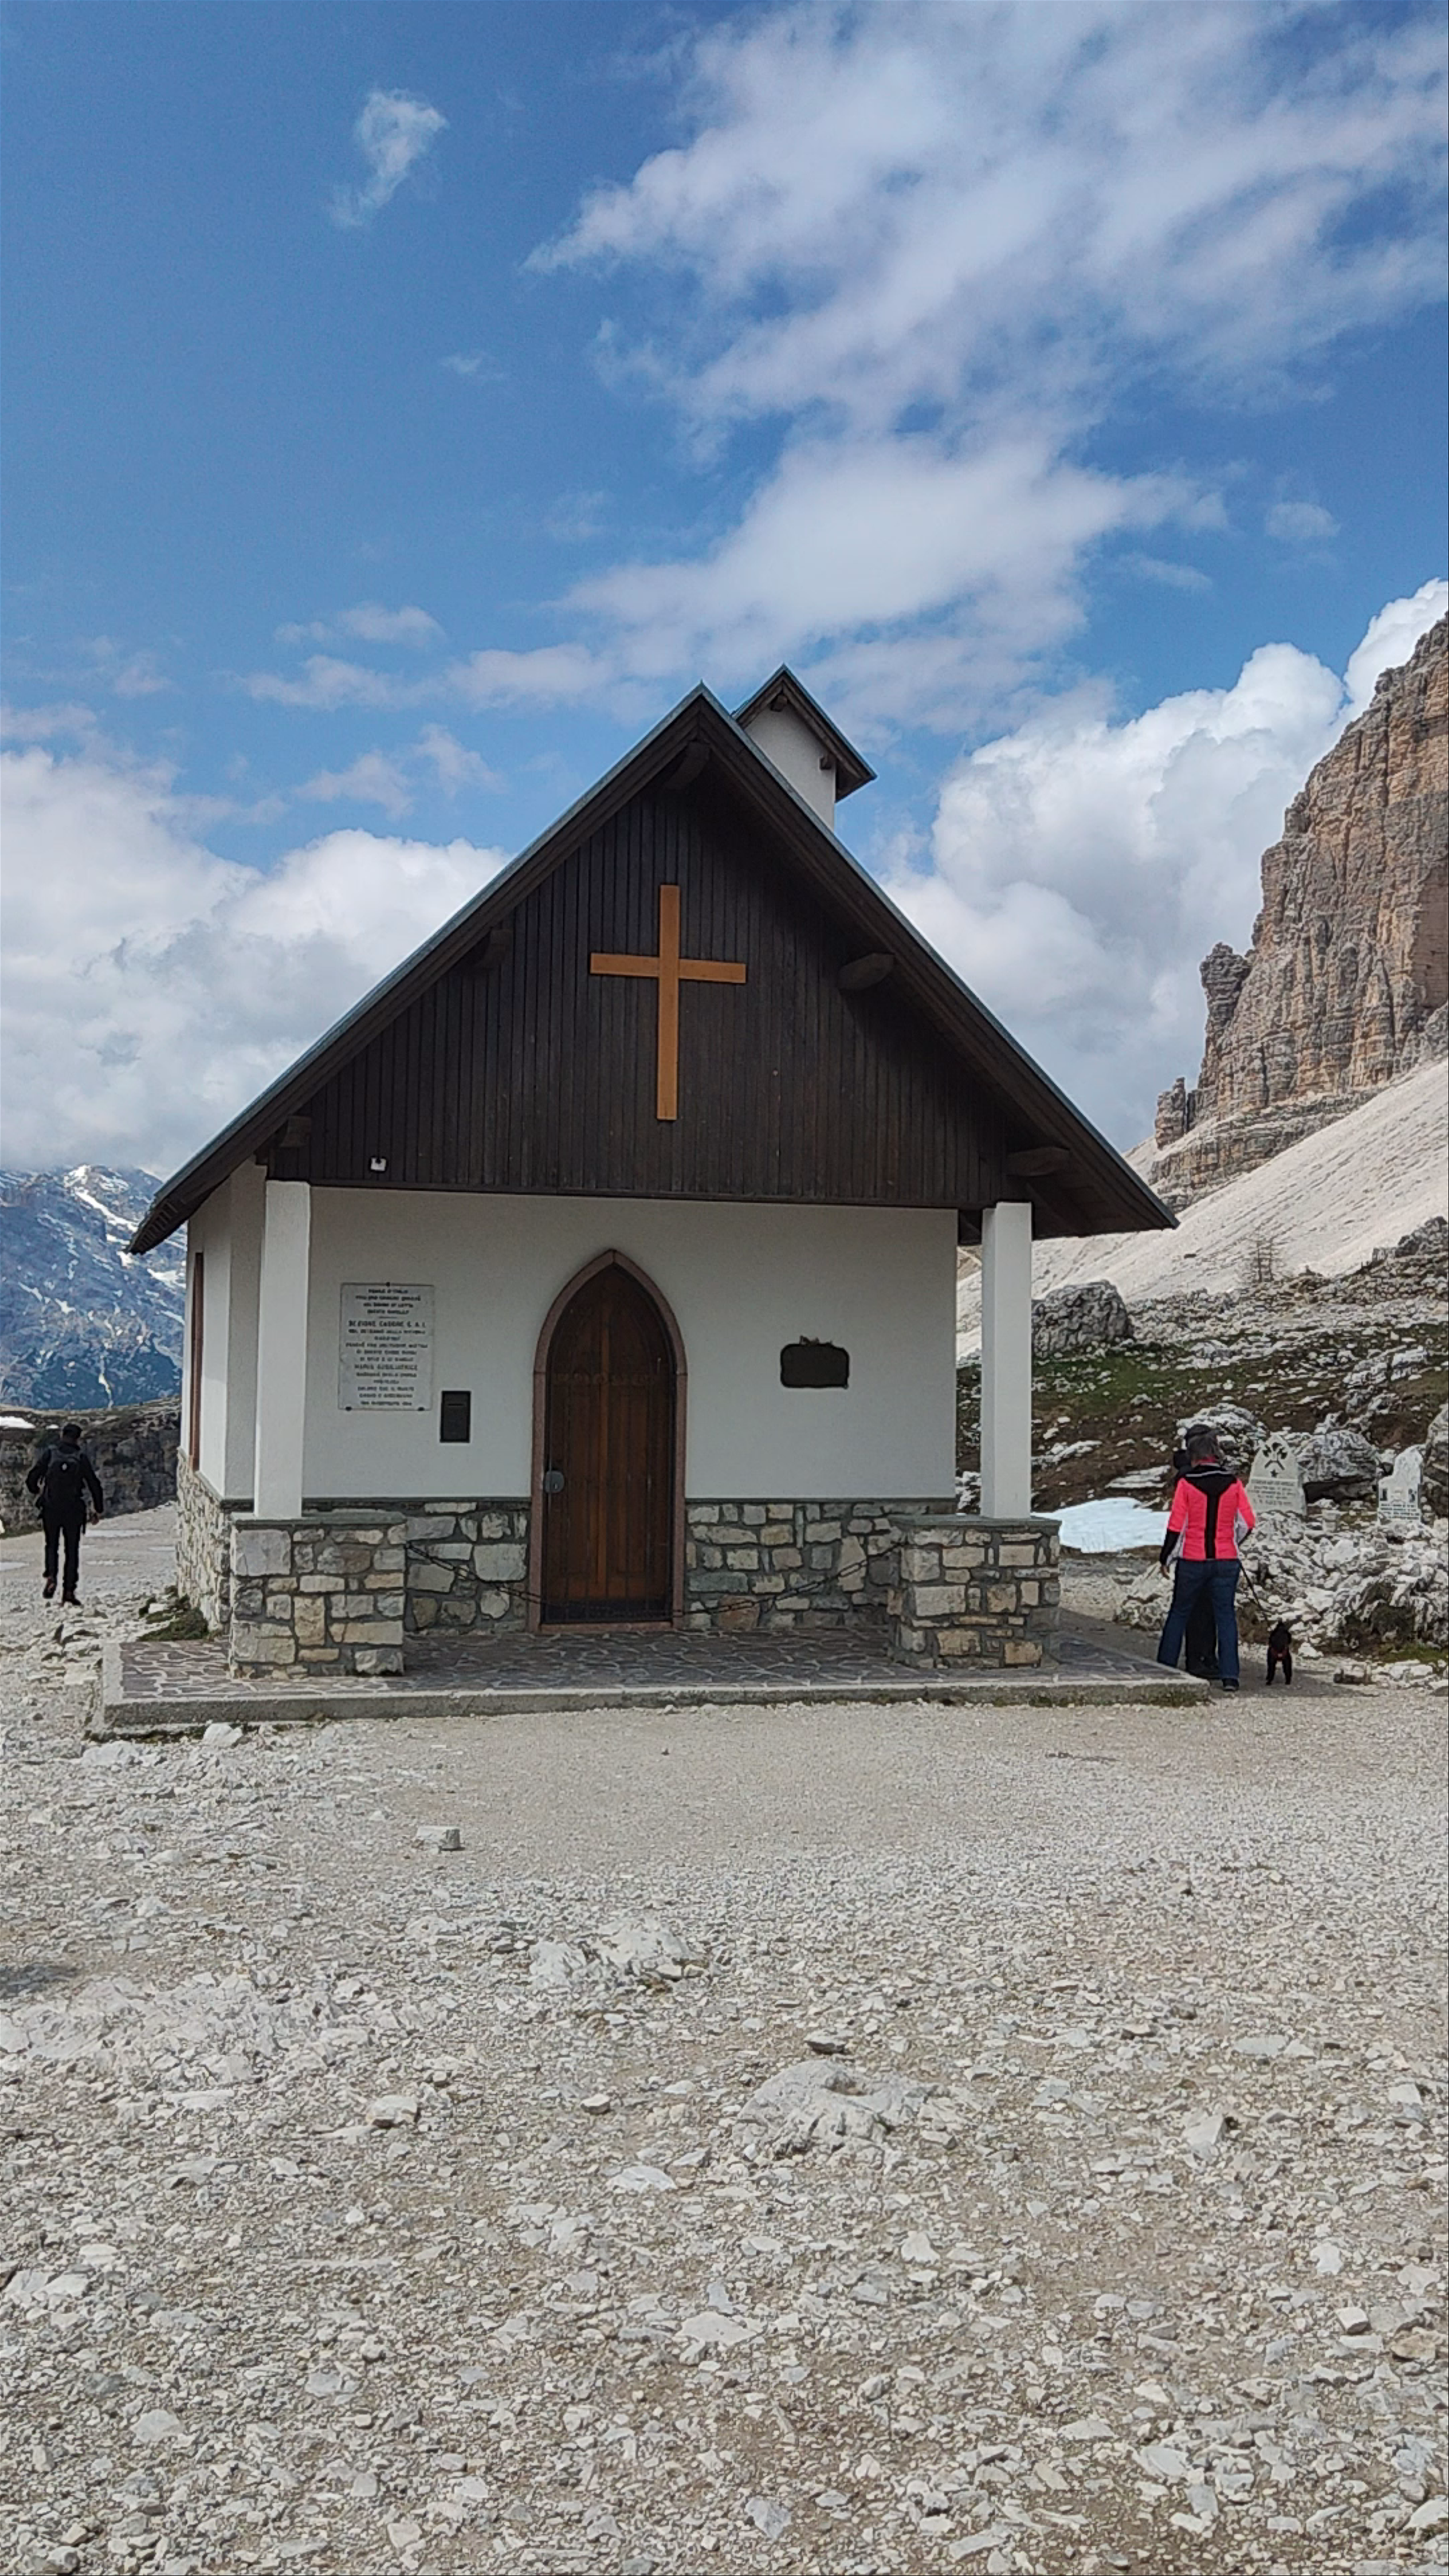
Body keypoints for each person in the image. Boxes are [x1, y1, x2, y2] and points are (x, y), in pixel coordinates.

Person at [1156, 1427, 1255, 1691]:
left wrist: (1166, 1558)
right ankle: (1230, 1676)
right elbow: (1248, 1522)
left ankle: (1164, 1667)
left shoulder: (1187, 1483)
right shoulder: (1233, 1482)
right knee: (1226, 1616)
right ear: (1215, 1452)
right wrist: (1232, 1541)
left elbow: (1177, 1526)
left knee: (1179, 1612)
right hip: (1226, 1560)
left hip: (1193, 1559)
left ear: (1193, 1455)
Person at [25, 1423, 104, 1606]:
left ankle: (51, 1576)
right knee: (72, 1550)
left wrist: (37, 1491)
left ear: (63, 1435)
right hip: (74, 1510)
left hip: (51, 1508)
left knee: (51, 1545)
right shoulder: (81, 1457)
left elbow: (32, 1477)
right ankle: (69, 1591)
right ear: (78, 1438)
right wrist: (98, 1509)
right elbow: (94, 1484)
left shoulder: (51, 1453)